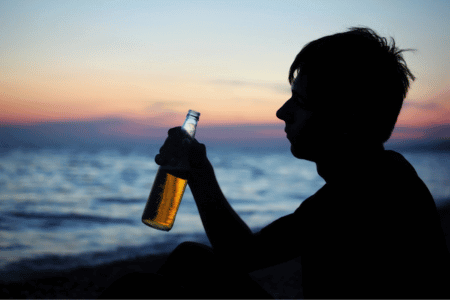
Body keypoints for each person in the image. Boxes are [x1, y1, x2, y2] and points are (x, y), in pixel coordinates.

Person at [98, 27, 450, 299]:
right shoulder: (378, 178)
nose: (282, 112)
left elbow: (241, 256)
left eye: (300, 101)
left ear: (346, 120)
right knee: (191, 258)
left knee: (134, 288)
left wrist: (201, 176)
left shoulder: (363, 196)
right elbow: (246, 253)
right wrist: (199, 174)